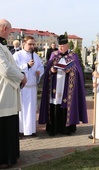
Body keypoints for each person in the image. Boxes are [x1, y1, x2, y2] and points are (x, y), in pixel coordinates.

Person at [39, 34, 88, 136]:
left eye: (63, 46)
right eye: (59, 46)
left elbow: (78, 71)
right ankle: (53, 129)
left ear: (67, 46)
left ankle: (67, 129)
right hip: (55, 86)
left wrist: (71, 71)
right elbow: (48, 69)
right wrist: (51, 70)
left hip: (67, 87)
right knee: (55, 104)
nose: (61, 48)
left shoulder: (73, 56)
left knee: (66, 104)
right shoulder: (54, 54)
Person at [0, 19, 27, 168]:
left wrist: (21, 72)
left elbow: (12, 65)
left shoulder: (2, 45)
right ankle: (4, 158)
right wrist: (22, 77)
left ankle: (10, 155)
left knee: (9, 124)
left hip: (8, 91)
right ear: (4, 28)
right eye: (9, 30)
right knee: (4, 126)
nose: (10, 34)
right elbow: (6, 70)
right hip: (3, 93)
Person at [13, 36, 44, 137]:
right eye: (30, 44)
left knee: (31, 110)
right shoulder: (17, 55)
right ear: (24, 44)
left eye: (33, 44)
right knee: (22, 109)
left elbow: (41, 66)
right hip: (23, 88)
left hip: (32, 87)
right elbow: (14, 68)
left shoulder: (35, 56)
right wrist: (27, 66)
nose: (32, 46)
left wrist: (40, 71)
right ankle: (21, 130)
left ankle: (31, 130)